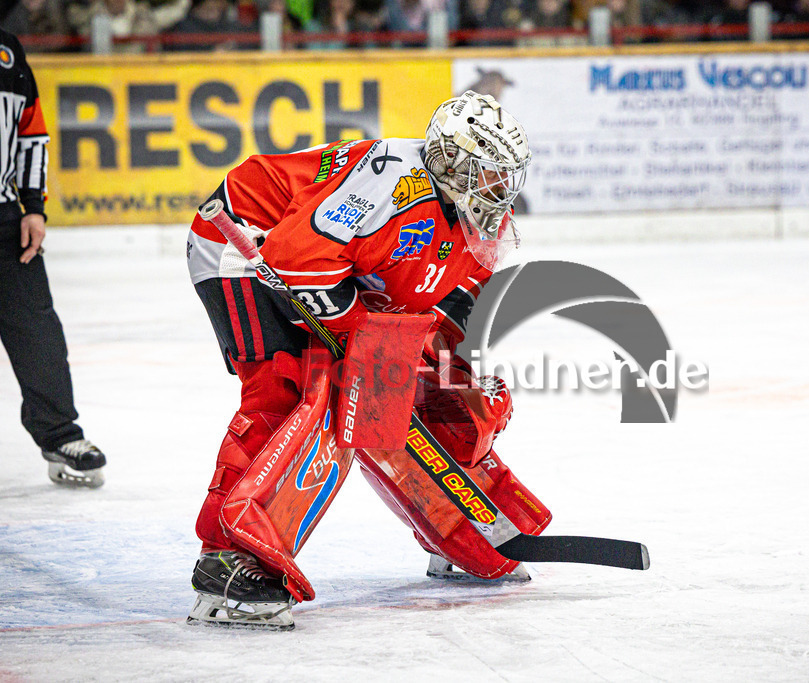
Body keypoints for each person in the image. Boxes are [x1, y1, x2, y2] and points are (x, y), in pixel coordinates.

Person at [185, 91, 550, 630]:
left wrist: (440, 375)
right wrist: (364, 339)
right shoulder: (393, 182)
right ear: (450, 161)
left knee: (407, 391)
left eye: (506, 176)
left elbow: (455, 306)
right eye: (488, 174)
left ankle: (460, 532)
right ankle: (224, 559)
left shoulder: (480, 213)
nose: (500, 190)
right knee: (285, 391)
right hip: (245, 243)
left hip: (332, 268)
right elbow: (297, 259)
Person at [0, 28, 106, 488]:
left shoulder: (5, 50)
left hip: (2, 220)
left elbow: (30, 134)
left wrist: (33, 206)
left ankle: (59, 433)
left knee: (38, 332)